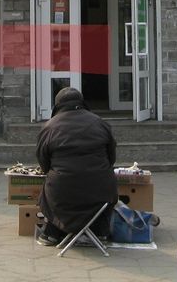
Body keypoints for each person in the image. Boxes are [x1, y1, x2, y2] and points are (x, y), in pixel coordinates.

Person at [35, 87, 117, 246]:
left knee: (50, 187)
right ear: (82, 102)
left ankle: (52, 233)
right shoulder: (100, 123)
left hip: (62, 192)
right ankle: (100, 231)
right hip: (100, 191)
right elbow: (111, 158)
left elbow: (43, 163)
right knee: (107, 184)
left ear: (57, 106)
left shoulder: (49, 127)